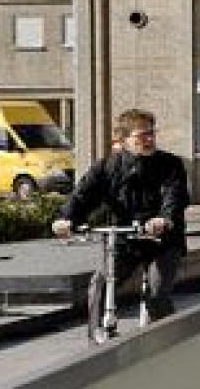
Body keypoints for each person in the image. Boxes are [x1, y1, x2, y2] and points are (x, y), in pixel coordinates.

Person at [53, 108, 190, 334]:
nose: (149, 140)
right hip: (125, 240)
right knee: (99, 285)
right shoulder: (107, 168)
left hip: (162, 240)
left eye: (151, 134)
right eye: (141, 135)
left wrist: (164, 219)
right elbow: (82, 196)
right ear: (123, 140)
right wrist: (66, 219)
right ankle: (96, 338)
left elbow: (174, 197)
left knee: (156, 293)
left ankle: (168, 339)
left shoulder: (170, 165)